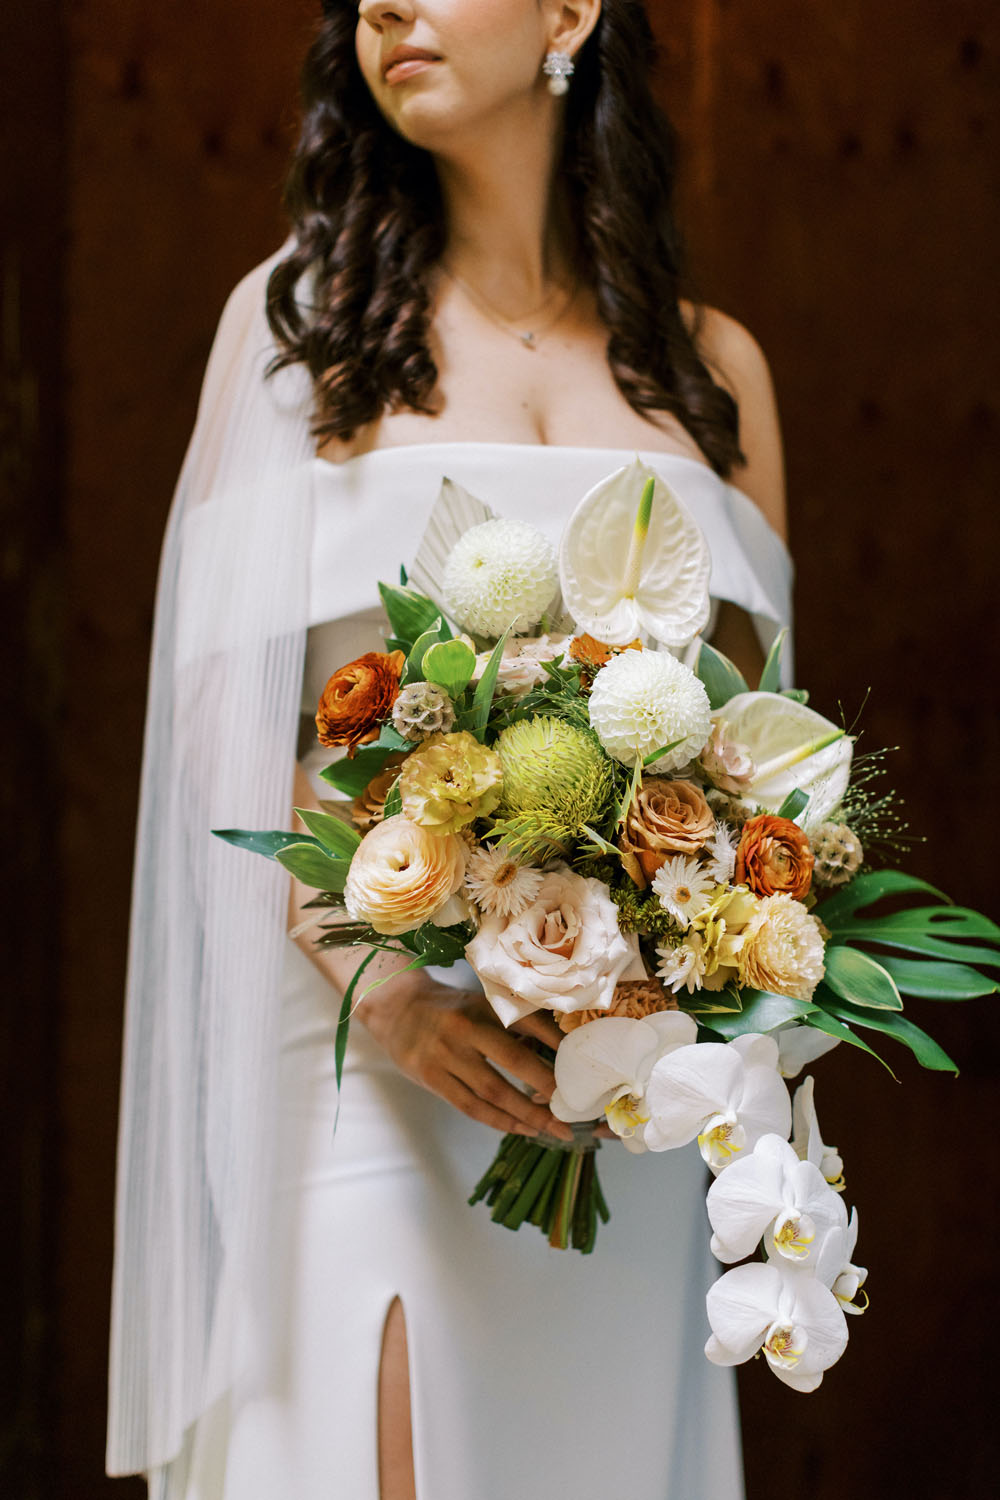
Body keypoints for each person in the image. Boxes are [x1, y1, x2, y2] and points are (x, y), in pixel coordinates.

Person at [108, 2, 792, 1497]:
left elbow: (768, 762)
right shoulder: (298, 331)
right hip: (371, 1057)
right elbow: (222, 764)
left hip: (619, 1100)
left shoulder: (712, 371)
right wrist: (393, 999)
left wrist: (677, 967)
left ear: (566, 14)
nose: (383, 7)